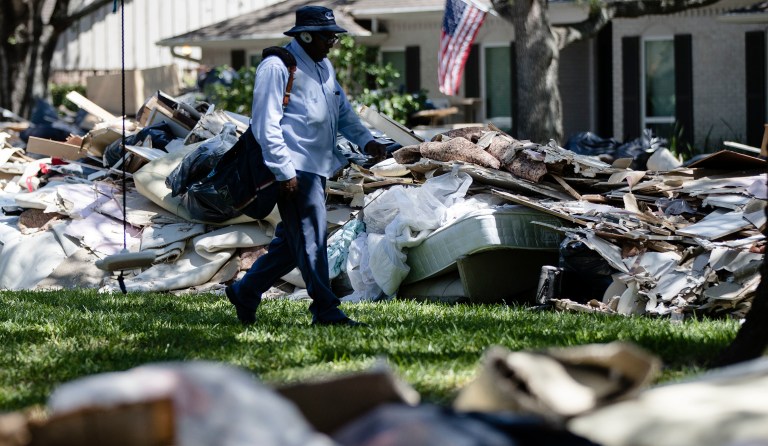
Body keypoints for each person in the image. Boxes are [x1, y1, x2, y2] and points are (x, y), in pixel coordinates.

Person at [225, 5, 388, 326]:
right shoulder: (276, 67)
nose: (333, 43)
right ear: (306, 35)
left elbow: (343, 114)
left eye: (335, 37)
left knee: (291, 243)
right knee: (311, 239)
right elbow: (265, 124)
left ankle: (246, 290)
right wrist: (283, 171)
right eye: (328, 36)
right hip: (291, 169)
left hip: (317, 169)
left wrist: (367, 141)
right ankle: (326, 310)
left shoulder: (324, 67)